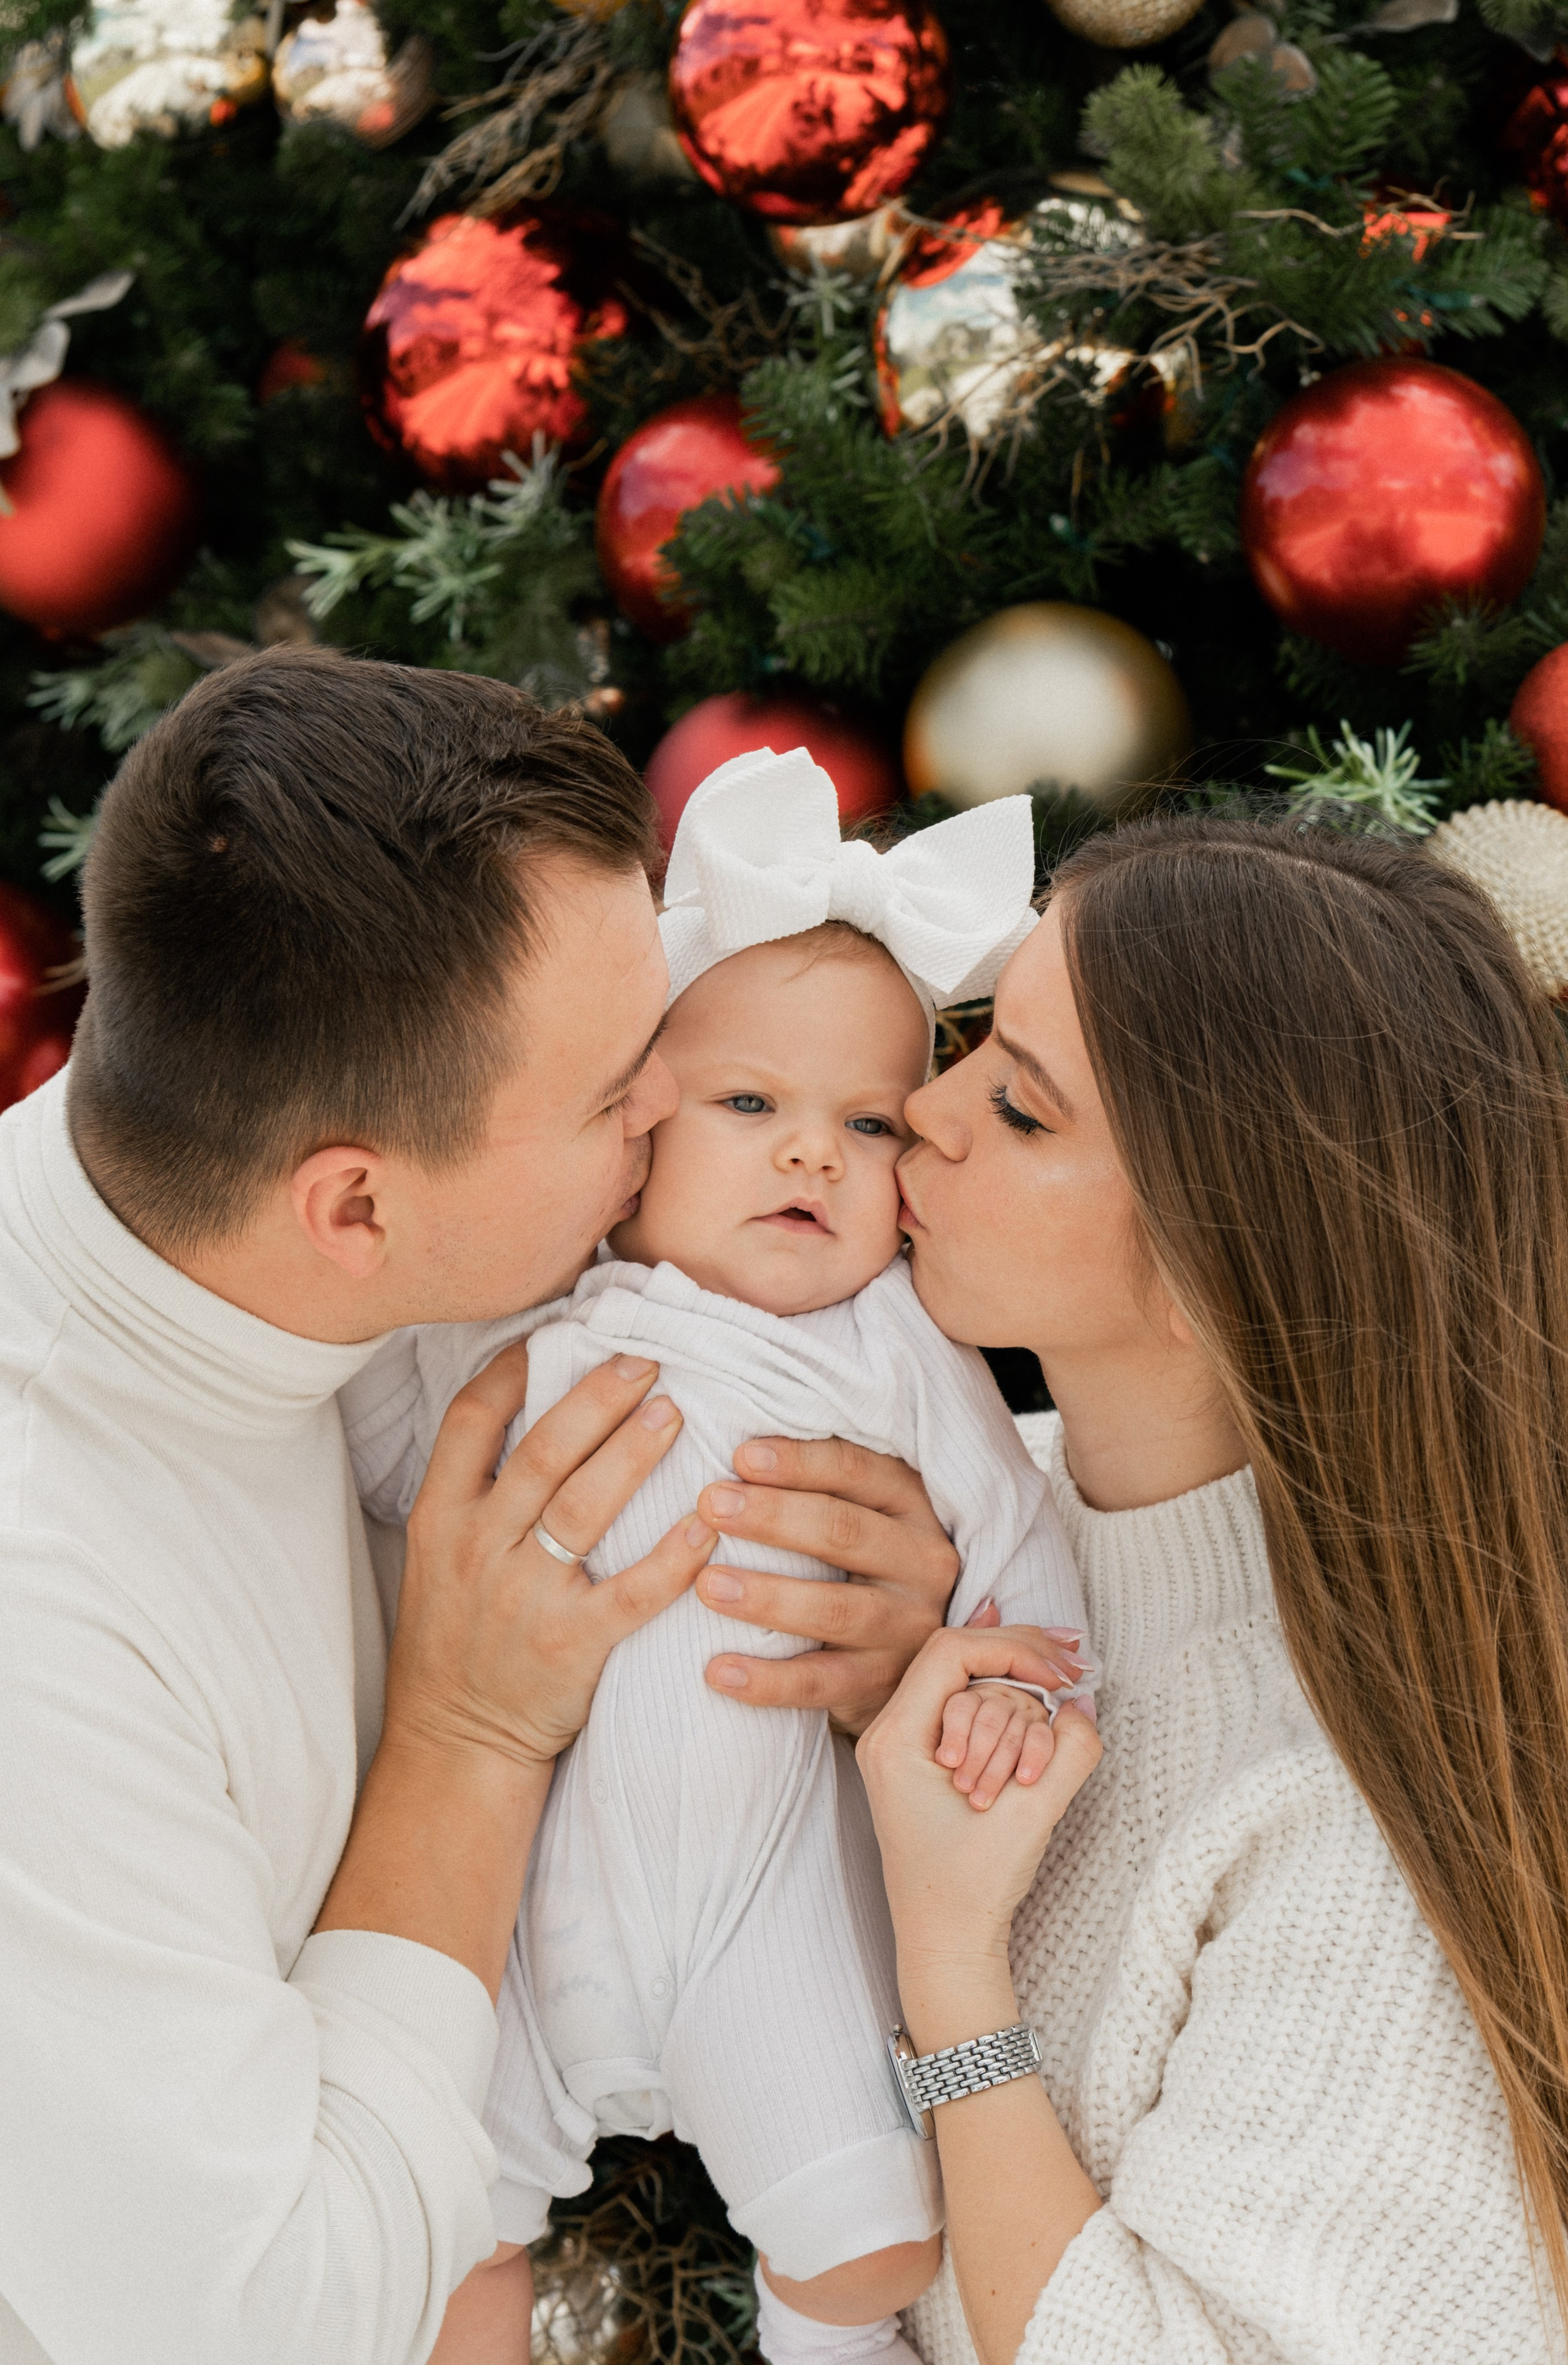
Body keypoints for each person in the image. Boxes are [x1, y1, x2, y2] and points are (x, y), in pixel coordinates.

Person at [0, 647, 964, 2365]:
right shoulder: (43, 1608)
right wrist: (467, 1732)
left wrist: (896, 1588)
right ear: (356, 1210)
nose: (681, 1113)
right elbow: (258, 2327)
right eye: (619, 1096)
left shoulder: (325, 1234)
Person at [348, 748, 1093, 2365]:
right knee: (426, 2228)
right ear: (637, 1136)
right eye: (751, 1106)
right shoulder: (536, 1296)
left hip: (764, 1903)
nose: (812, 1155)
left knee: (863, 2255)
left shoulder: (890, 1348)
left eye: (869, 1123)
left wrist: (1016, 1682)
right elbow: (387, 1446)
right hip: (529, 1897)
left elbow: (1020, 1536)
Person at [849, 815, 1568, 2364]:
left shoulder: (1343, 1823)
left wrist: (951, 1966)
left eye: (1021, 1110)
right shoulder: (957, 1530)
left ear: (1209, 1263)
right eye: (974, 1042)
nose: (919, 1107)